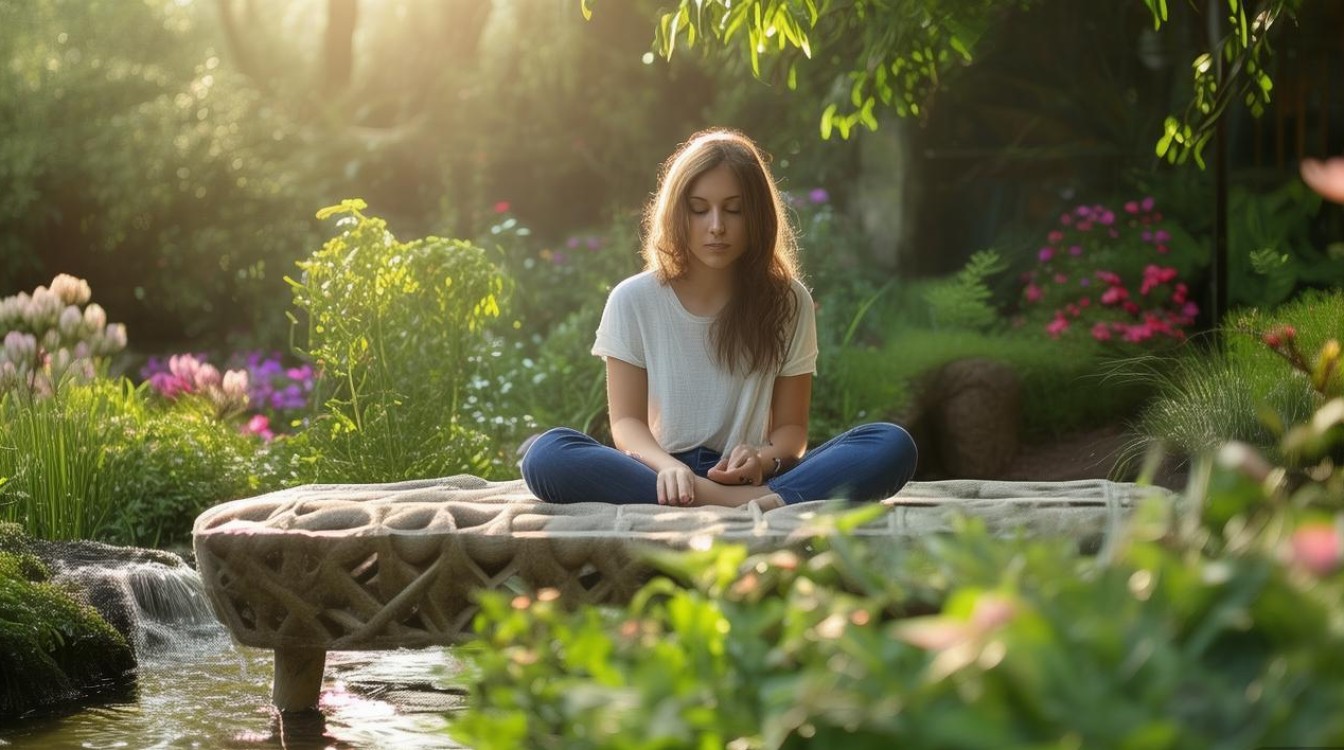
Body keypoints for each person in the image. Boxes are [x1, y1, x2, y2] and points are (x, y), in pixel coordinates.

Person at [521, 128, 917, 508]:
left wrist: (763, 460)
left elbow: (791, 433)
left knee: (890, 444)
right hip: (663, 472)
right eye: (698, 210)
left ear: (757, 217)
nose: (716, 227)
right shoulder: (633, 299)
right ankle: (750, 505)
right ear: (678, 213)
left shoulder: (788, 301)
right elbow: (625, 423)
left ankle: (720, 500)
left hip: (749, 476)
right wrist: (669, 468)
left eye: (734, 210)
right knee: (547, 455)